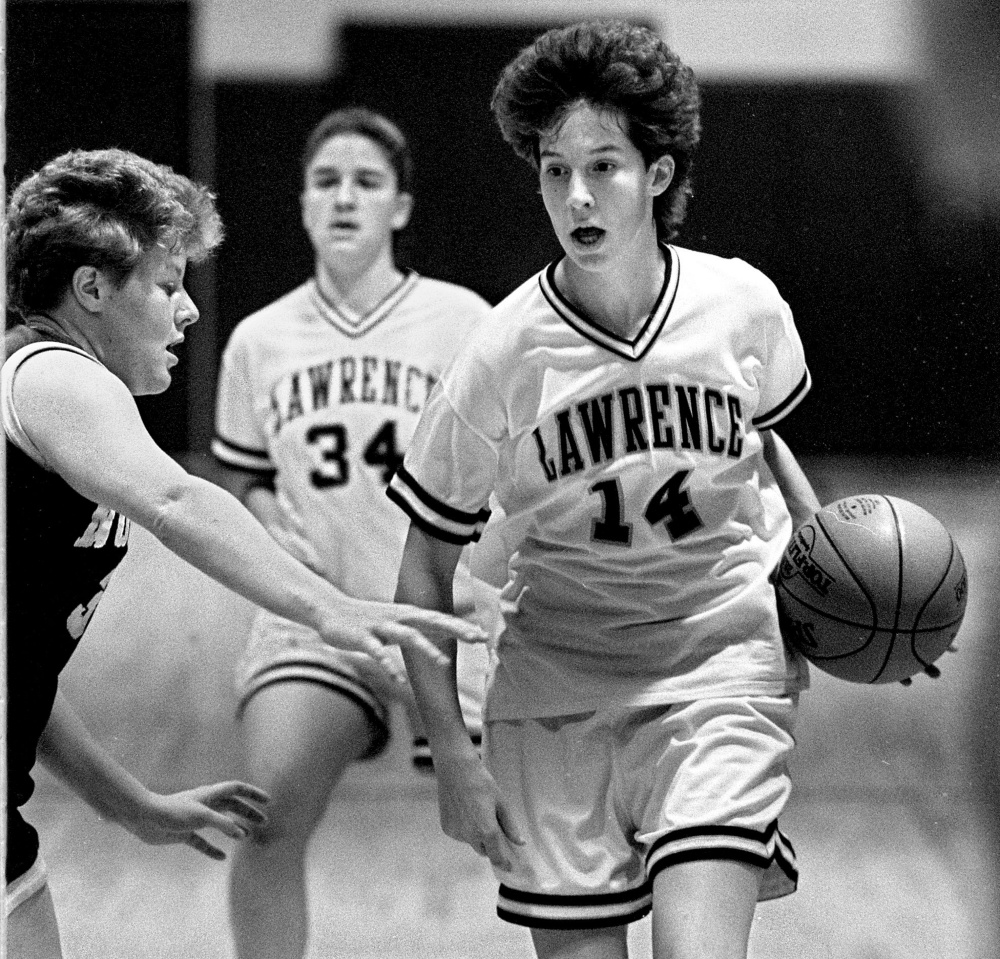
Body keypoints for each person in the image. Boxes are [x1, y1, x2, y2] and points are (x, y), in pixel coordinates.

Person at [389, 20, 823, 959]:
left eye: (605, 166)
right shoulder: (500, 354)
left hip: (716, 675)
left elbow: (776, 454)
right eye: (554, 170)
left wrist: (838, 594)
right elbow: (421, 570)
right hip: (552, 698)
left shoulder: (741, 305)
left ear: (658, 174)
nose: (576, 194)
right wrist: (451, 759)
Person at [2, 147, 483, 959]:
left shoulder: (65, 401)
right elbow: (180, 499)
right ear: (90, 290)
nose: (188, 310)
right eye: (166, 284)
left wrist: (130, 805)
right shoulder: (54, 375)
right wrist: (330, 606)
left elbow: (22, 681)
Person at [211, 107, 495, 959]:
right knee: (264, 814)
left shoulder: (462, 322)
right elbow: (243, 475)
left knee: (521, 830)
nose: (344, 198)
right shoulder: (257, 340)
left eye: (366, 183)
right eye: (326, 182)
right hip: (316, 618)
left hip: (440, 618)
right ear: (301, 204)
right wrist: (276, 535)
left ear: (400, 208)